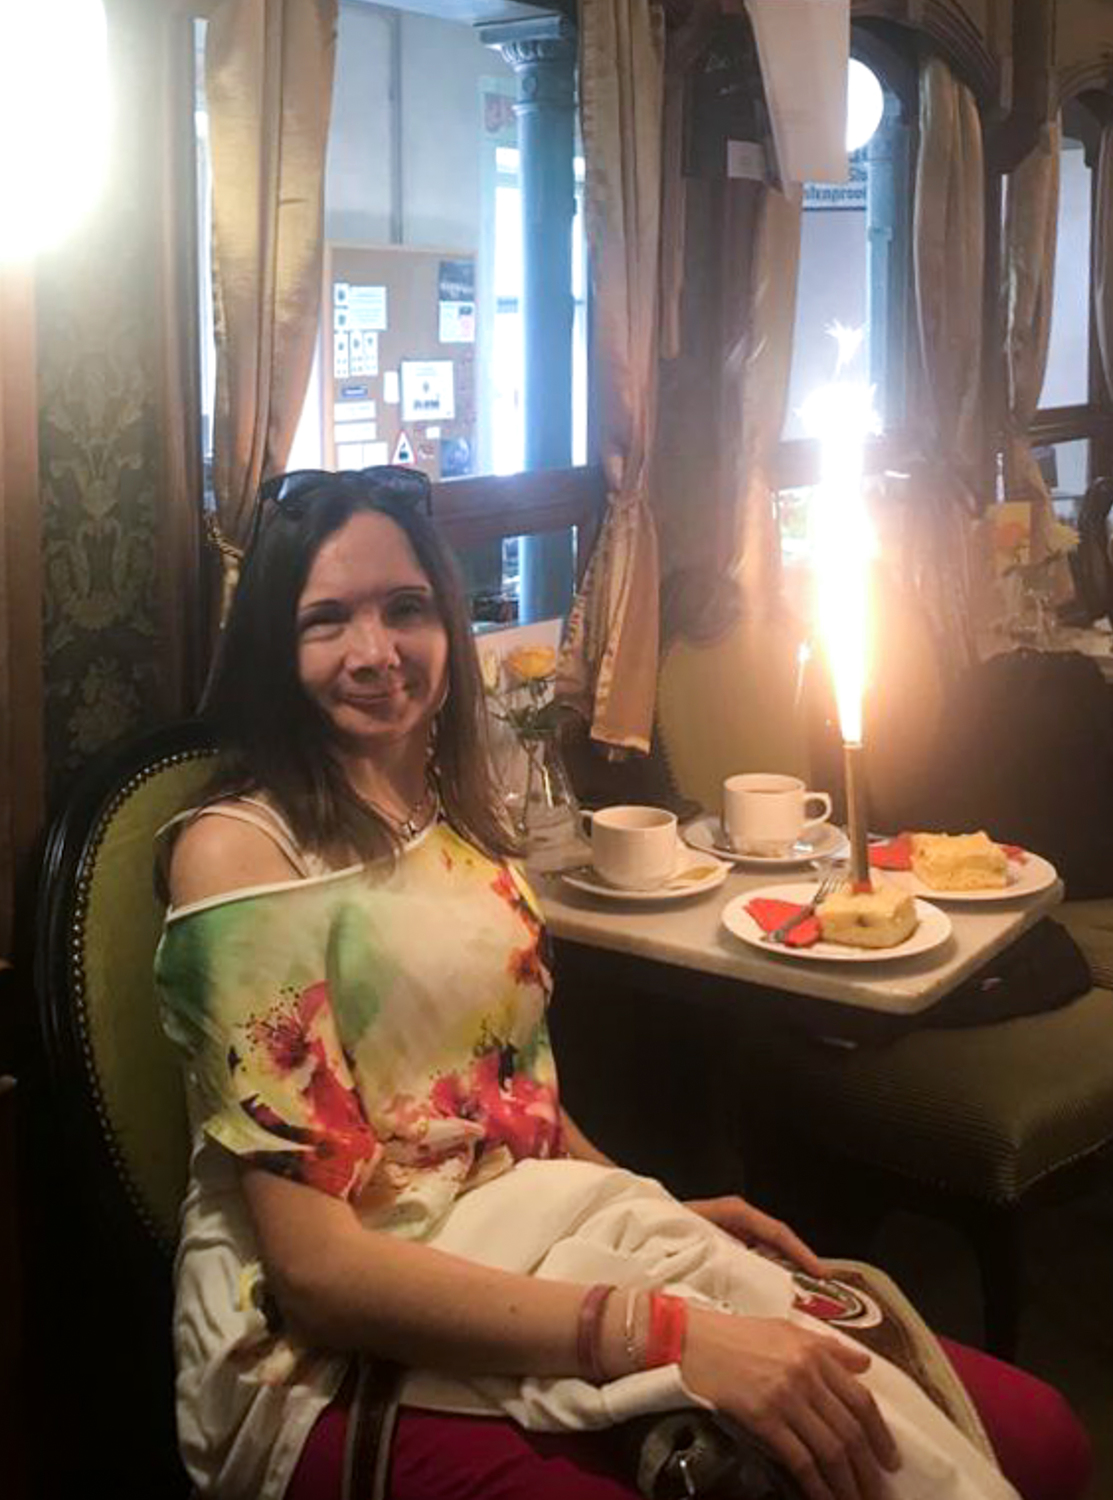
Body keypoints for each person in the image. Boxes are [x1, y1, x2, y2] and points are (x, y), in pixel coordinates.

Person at [156, 467, 1091, 1500]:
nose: (375, 651)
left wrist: (656, 1204)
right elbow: (319, 1277)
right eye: (326, 619)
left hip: (532, 1233)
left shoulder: (454, 812)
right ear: (271, 649)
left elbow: (507, 1099)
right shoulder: (241, 856)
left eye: (405, 609)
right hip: (319, 1350)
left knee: (1036, 1437)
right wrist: (667, 1332)